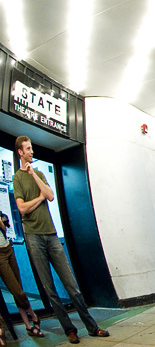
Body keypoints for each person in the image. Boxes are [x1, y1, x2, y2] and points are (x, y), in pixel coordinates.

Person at [13, 136, 110, 344]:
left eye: (32, 147)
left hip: (51, 235)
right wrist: (39, 198)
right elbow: (22, 209)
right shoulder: (16, 179)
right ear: (20, 152)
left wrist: (35, 176)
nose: (32, 151)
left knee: (72, 285)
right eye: (28, 149)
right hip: (33, 238)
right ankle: (70, 330)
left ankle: (92, 327)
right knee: (50, 290)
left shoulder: (38, 173)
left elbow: (50, 195)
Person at [0, 211, 44, 339]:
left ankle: (28, 327)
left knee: (19, 289)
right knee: (17, 291)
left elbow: (4, 229)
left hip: (8, 248)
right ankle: (34, 315)